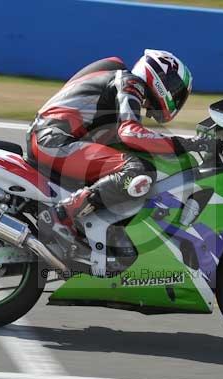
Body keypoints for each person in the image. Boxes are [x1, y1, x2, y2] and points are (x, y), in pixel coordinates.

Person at [27, 49, 213, 243]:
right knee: (137, 169)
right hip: (54, 140)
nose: (174, 95)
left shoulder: (121, 83)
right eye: (174, 88)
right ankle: (61, 215)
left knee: (127, 167)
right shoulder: (130, 82)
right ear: (160, 75)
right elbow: (131, 133)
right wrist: (186, 144)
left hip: (53, 139)